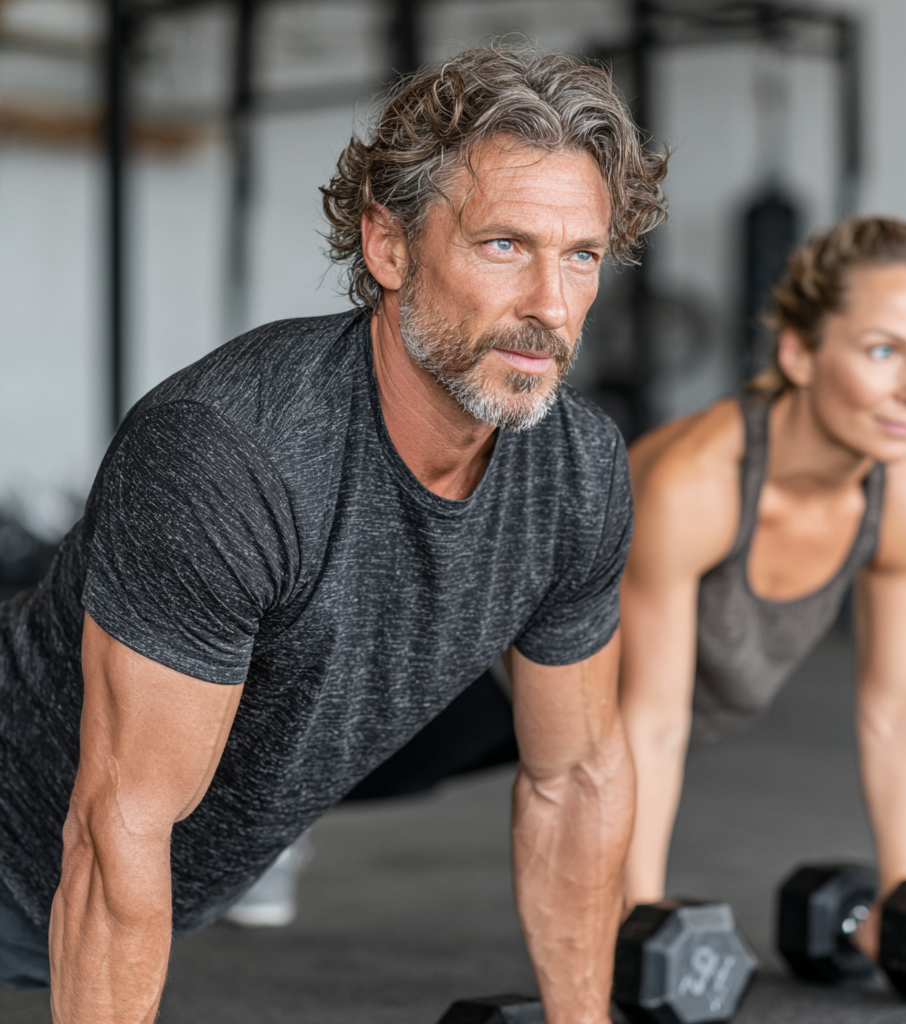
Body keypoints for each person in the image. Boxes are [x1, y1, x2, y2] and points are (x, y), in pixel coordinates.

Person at [0, 46, 669, 1023]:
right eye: (502, 246)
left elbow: (572, 781)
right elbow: (117, 833)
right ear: (387, 247)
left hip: (170, 879)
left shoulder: (576, 471)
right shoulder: (228, 455)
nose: (549, 307)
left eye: (580, 256)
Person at [620, 217, 906, 959]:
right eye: (883, 352)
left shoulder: (904, 501)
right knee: (357, 777)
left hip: (628, 730)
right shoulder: (697, 486)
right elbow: (647, 720)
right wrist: (636, 915)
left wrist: (903, 904)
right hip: (485, 677)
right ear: (799, 352)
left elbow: (898, 705)